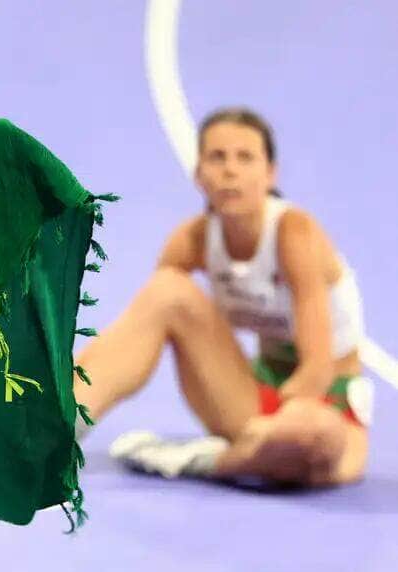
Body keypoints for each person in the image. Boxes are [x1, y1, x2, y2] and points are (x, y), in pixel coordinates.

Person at [74, 107, 370, 487]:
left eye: (245, 158)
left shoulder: (295, 234)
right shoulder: (192, 241)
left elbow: (317, 371)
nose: (231, 170)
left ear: (270, 173)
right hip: (255, 400)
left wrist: (278, 428)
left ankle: (203, 462)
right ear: (199, 174)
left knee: (310, 438)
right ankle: (57, 430)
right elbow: (138, 330)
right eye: (217, 157)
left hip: (324, 407)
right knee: (167, 290)